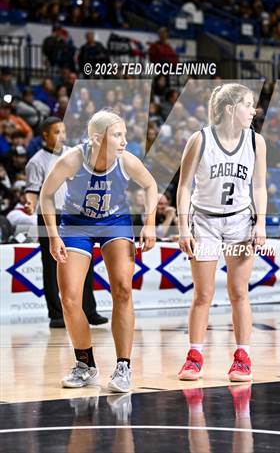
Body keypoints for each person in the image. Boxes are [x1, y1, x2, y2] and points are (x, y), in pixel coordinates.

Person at [40, 110, 157, 392]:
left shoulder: (126, 160)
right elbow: (46, 194)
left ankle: (123, 367)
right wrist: (53, 236)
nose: (124, 141)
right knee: (69, 298)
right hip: (76, 224)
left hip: (114, 221)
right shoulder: (72, 160)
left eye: (124, 134)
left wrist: (150, 222)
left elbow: (150, 185)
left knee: (123, 289)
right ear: (96, 138)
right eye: (117, 135)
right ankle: (85, 365)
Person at [177, 84, 267, 382]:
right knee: (203, 293)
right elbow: (184, 187)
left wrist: (261, 222)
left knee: (239, 292)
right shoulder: (200, 139)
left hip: (240, 221)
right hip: (205, 222)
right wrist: (183, 227)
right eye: (248, 105)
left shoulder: (256, 141)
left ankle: (243, 356)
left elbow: (259, 186)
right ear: (230, 109)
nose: (253, 111)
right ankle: (194, 356)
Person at [24, 117, 107, 328]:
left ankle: (89, 310)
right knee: (51, 264)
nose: (61, 135)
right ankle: (56, 314)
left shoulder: (74, 154)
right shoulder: (36, 161)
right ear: (45, 135)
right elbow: (32, 191)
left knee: (85, 261)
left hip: (75, 213)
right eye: (56, 132)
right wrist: (29, 203)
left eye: (63, 131)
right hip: (50, 216)